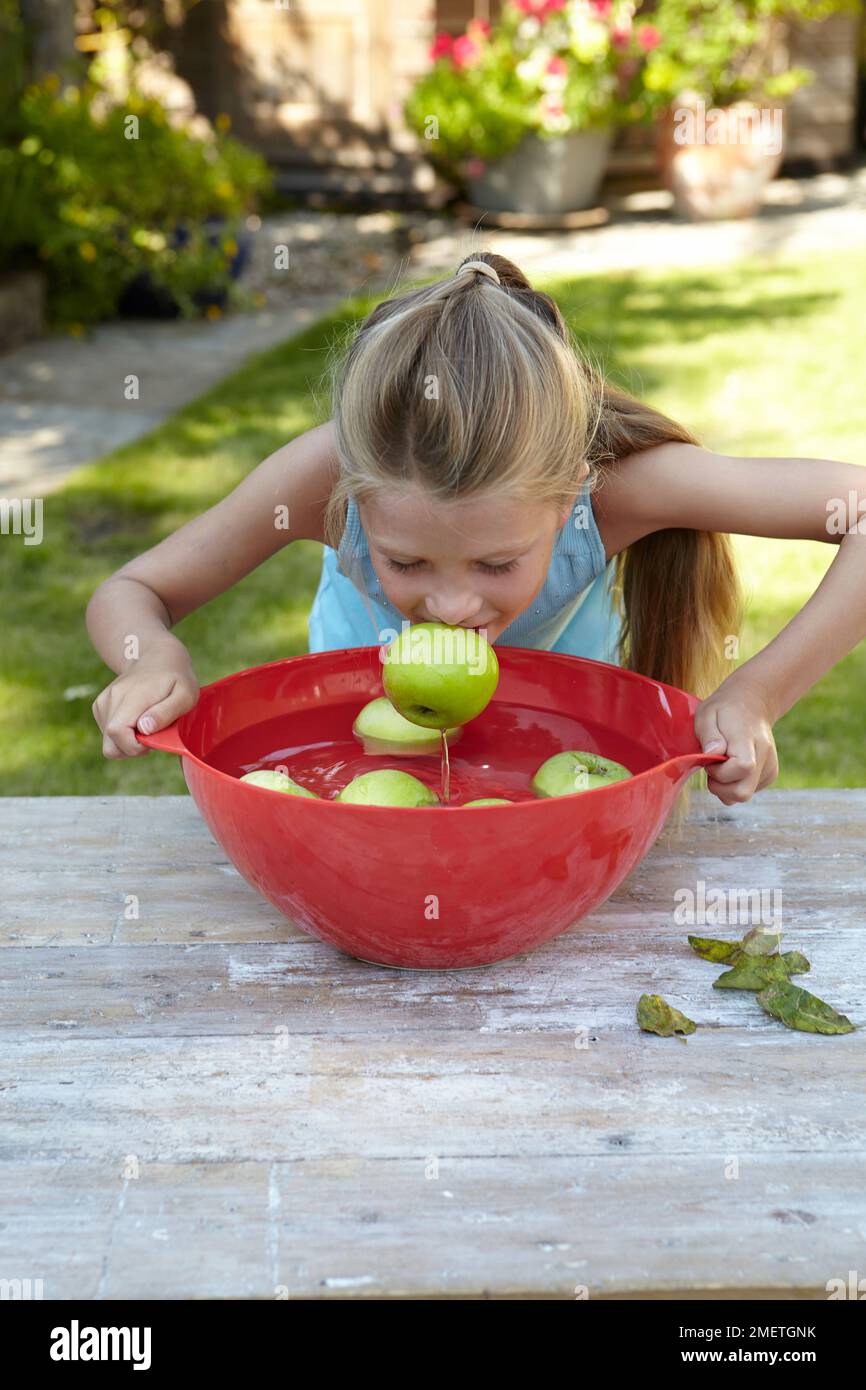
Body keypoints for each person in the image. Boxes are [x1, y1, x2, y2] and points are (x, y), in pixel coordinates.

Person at [87, 252, 866, 806]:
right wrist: (148, 652)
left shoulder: (618, 491)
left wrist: (758, 694)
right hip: (362, 772)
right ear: (356, 501)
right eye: (406, 561)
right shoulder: (326, 478)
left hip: (559, 783)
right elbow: (135, 587)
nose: (453, 605)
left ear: (569, 499)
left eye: (496, 564)